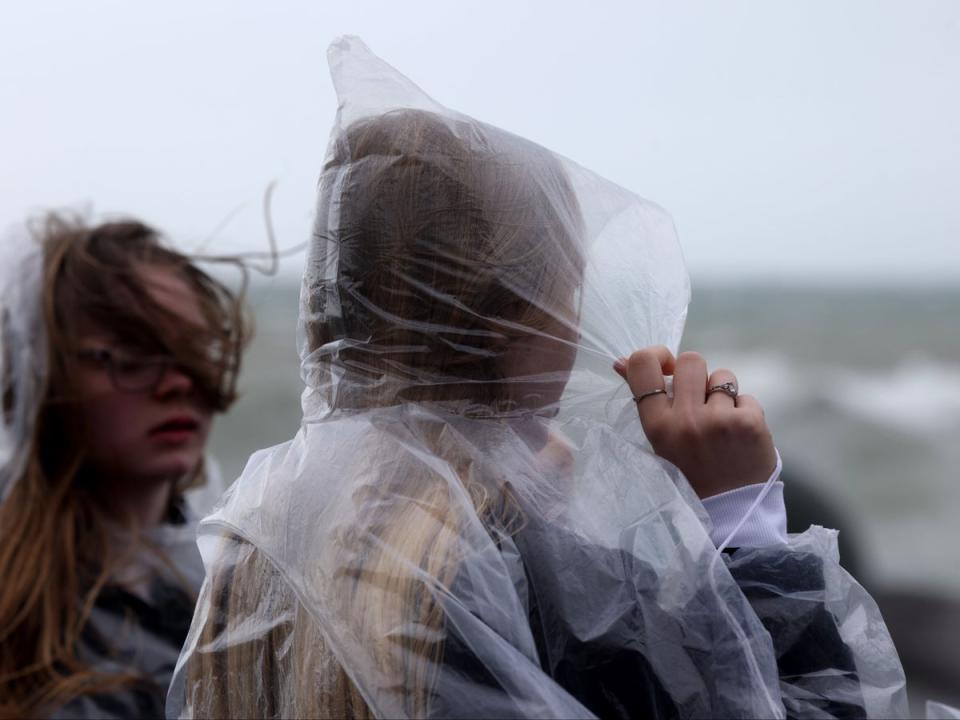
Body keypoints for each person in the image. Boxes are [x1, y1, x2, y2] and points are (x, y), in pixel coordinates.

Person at [169, 37, 907, 719]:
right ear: (511, 320)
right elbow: (819, 707)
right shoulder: (544, 585)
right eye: (570, 293)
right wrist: (743, 520)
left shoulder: (257, 538)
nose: (580, 327)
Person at [0, 213, 250, 718]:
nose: (178, 383)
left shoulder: (239, 584)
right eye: (132, 357)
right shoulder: (13, 613)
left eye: (193, 351)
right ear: (42, 378)